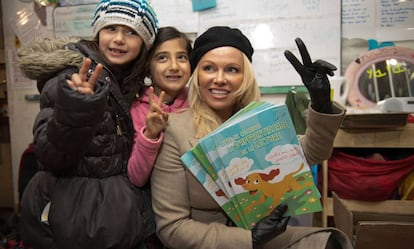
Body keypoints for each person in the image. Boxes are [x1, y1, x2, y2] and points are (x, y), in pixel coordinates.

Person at [150, 26, 353, 249]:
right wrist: (250, 240)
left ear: (245, 76)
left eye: (232, 70)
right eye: (209, 68)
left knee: (330, 243)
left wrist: (321, 103)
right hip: (212, 243)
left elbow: (314, 152)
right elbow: (172, 228)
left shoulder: (259, 122)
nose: (219, 79)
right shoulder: (175, 130)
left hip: (266, 236)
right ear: (197, 74)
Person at [16, 0, 158, 248]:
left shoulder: (131, 85)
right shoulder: (73, 75)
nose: (119, 39)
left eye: (131, 32)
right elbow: (50, 155)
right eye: (111, 29)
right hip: (72, 222)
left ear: (144, 43)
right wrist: (76, 107)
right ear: (97, 32)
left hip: (112, 222)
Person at [128, 26, 192, 187]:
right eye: (162, 58)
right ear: (148, 68)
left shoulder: (199, 102)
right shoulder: (137, 110)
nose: (174, 66)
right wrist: (150, 134)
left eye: (182, 57)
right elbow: (136, 178)